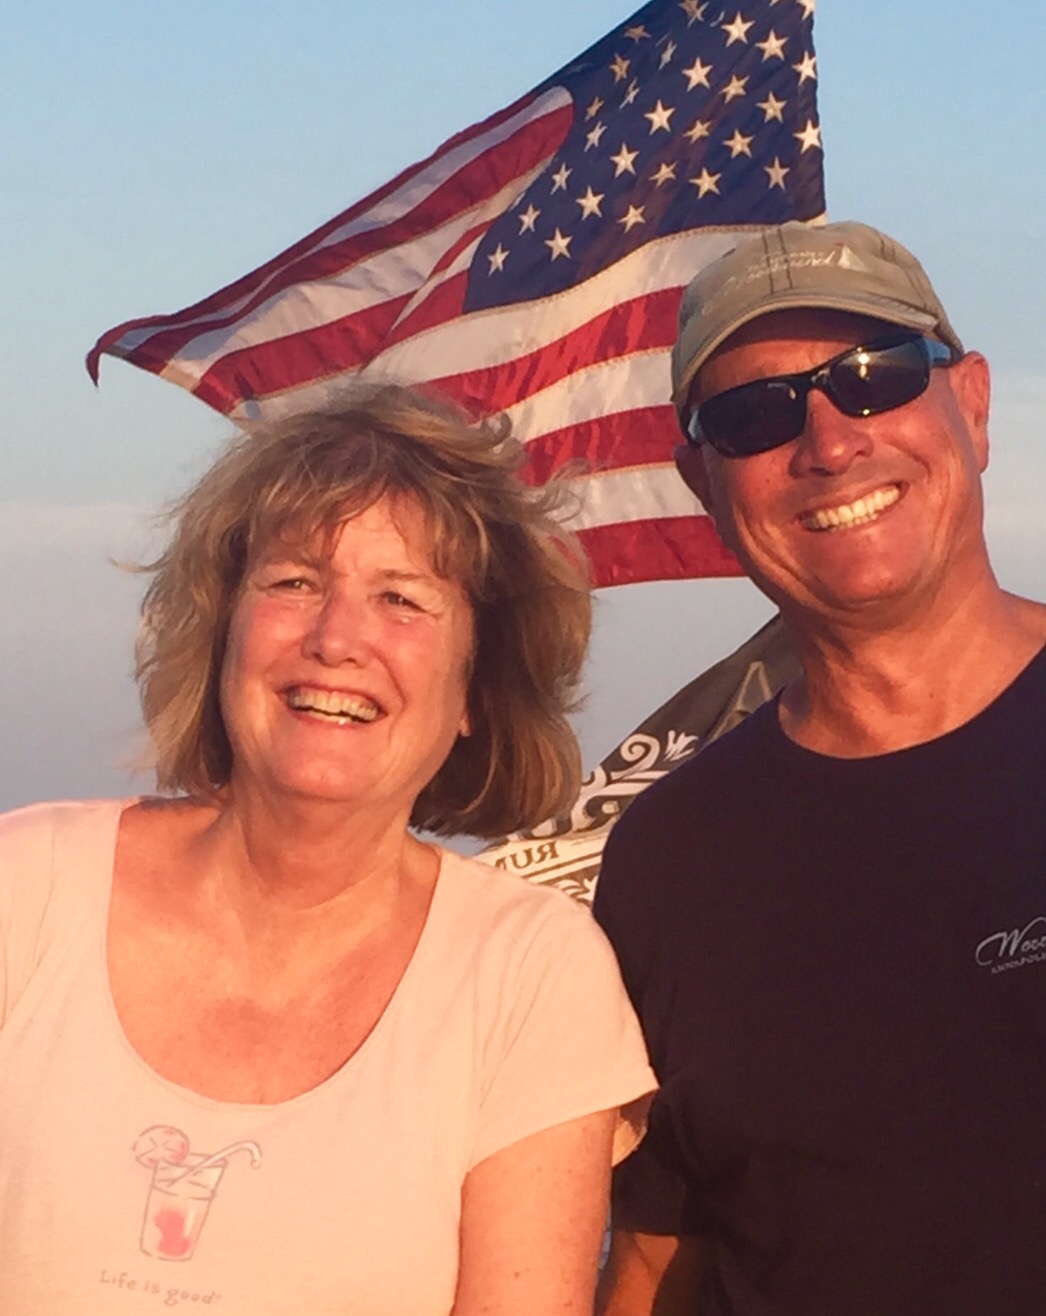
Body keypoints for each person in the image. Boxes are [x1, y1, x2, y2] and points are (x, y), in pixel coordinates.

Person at [0, 384, 656, 1315]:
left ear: (475, 690)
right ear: (222, 634)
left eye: (402, 599)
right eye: (295, 582)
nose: (338, 638)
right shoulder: (25, 890)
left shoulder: (530, 979)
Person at [593, 220, 1046, 1314]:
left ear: (970, 404)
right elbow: (659, 1252)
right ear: (702, 483)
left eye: (874, 376)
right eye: (754, 413)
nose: (830, 442)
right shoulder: (668, 862)